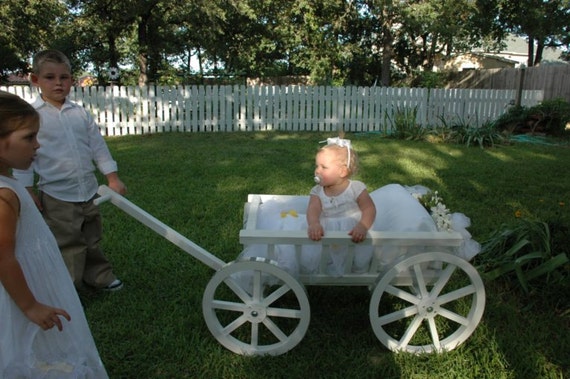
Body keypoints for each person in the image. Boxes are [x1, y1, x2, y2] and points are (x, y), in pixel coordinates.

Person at [0, 91, 109, 377]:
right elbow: (2, 257)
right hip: (24, 290)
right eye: (29, 138)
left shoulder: (8, 182)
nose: (38, 145)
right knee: (25, 345)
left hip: (36, 280)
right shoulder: (3, 195)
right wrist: (30, 305)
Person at [13, 49, 126, 291]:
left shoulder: (80, 114)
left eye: (64, 77)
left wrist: (112, 177)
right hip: (57, 194)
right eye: (50, 77)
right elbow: (26, 156)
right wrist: (27, 189)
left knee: (92, 238)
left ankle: (99, 276)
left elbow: (98, 146)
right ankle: (69, 287)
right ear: (35, 80)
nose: (58, 83)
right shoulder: (33, 117)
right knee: (68, 242)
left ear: (72, 80)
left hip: (88, 190)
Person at [305, 136, 377, 274]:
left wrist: (363, 225)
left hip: (353, 228)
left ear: (342, 171)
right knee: (324, 251)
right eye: (317, 166)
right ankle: (328, 264)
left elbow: (369, 208)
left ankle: (354, 265)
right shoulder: (317, 191)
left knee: (357, 253)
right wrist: (314, 223)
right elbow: (312, 209)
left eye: (324, 167)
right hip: (327, 227)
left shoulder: (356, 188)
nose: (317, 171)